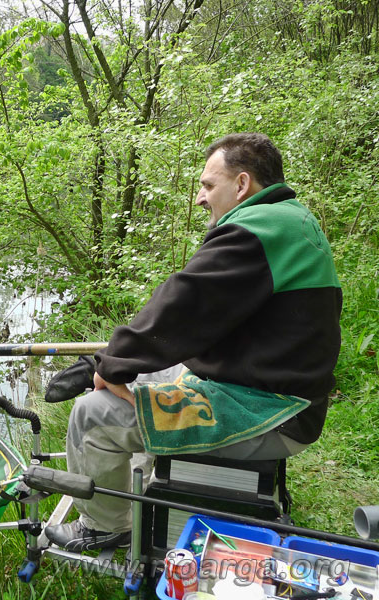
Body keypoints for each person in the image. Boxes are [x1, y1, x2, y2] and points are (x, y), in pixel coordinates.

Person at [44, 133, 342, 552]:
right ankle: (144, 483)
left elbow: (184, 302)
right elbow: (211, 315)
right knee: (147, 378)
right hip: (276, 388)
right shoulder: (290, 219)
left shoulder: (255, 231)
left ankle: (105, 527)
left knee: (91, 414)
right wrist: (117, 362)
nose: (201, 198)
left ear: (242, 184)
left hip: (274, 409)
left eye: (207, 185)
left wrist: (110, 364)